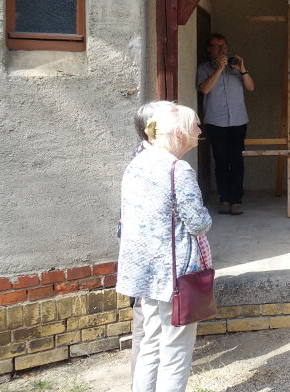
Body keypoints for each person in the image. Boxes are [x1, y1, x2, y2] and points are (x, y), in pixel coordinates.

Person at [117, 102, 213, 392]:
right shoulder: (177, 169)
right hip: (174, 276)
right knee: (176, 352)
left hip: (144, 273)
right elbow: (198, 223)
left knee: (150, 345)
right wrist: (207, 215)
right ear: (179, 133)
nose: (199, 131)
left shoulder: (137, 163)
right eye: (194, 126)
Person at [124, 100, 174, 380]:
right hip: (147, 255)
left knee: (150, 324)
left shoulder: (151, 156)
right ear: (153, 129)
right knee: (146, 324)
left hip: (148, 253)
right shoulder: (151, 161)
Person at [197, 33, 254, 215]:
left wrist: (243, 69)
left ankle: (236, 200)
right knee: (221, 160)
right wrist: (219, 69)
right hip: (216, 121)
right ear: (209, 49)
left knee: (237, 160)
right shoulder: (204, 68)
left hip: (238, 120)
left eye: (224, 46)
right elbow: (205, 89)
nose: (222, 50)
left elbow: (251, 87)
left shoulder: (235, 67)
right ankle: (225, 199)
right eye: (217, 46)